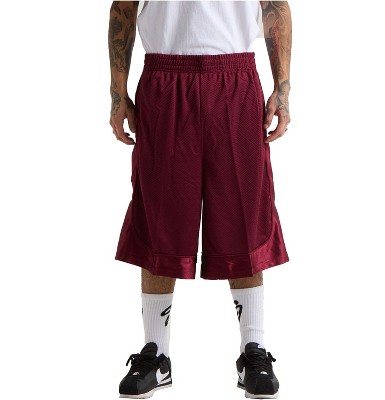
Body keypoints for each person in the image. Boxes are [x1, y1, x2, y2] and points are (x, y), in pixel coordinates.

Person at [108, 1, 292, 398]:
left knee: (244, 217)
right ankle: (156, 353)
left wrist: (282, 87)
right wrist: (117, 92)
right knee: (160, 220)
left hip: (235, 77)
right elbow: (123, 7)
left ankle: (253, 349)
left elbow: (274, 5)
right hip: (164, 78)